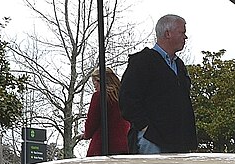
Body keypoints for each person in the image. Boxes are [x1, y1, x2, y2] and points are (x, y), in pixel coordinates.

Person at [118, 14, 197, 154]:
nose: (185, 37)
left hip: (178, 142)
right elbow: (127, 99)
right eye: (182, 32)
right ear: (168, 33)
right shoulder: (143, 62)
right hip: (153, 142)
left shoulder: (179, 66)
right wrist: (145, 128)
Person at [82, 69, 131, 156]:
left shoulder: (99, 97)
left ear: (100, 80)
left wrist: (86, 135)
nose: (94, 87)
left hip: (103, 146)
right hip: (124, 146)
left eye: (94, 83)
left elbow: (91, 123)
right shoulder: (124, 97)